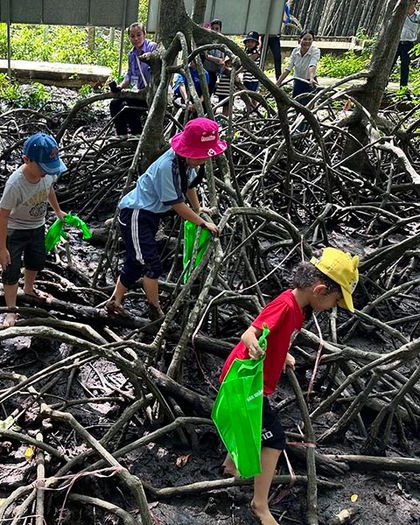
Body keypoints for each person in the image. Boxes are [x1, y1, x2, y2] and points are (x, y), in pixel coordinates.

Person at [219, 247, 359, 525]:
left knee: (251, 423)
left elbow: (275, 335)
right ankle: (260, 505)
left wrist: (282, 354)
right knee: (274, 440)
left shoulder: (299, 309)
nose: (333, 307)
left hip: (254, 383)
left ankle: (230, 466)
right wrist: (255, 348)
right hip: (245, 381)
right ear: (319, 290)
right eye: (334, 301)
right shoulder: (285, 306)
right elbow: (251, 332)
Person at [106, 118, 224, 320]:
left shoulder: (185, 162)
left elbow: (189, 185)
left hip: (149, 215)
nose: (203, 160)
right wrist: (201, 222)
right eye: (201, 156)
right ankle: (155, 311)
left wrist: (198, 209)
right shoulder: (166, 167)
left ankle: (115, 301)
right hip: (135, 213)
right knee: (151, 265)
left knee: (136, 262)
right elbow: (176, 205)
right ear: (187, 151)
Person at [0, 133, 67, 328]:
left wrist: (58, 211)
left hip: (37, 226)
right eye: (43, 168)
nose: (47, 172)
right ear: (26, 160)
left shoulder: (47, 173)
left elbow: (49, 189)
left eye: (50, 167)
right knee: (11, 270)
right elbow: (2, 217)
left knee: (35, 261)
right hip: (15, 230)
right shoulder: (15, 184)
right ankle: (11, 311)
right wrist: (2, 248)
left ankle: (28, 289)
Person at [109, 22, 158, 136]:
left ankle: (137, 135)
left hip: (152, 93)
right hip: (138, 92)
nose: (136, 38)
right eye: (132, 36)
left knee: (128, 106)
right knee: (114, 104)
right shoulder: (132, 54)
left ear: (144, 34)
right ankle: (122, 135)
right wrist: (120, 87)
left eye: (138, 35)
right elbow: (130, 76)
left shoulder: (152, 47)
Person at [276, 29, 320, 104]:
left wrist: (312, 78)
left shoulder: (315, 51)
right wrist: (278, 83)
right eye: (305, 39)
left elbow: (312, 64)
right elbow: (288, 69)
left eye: (310, 39)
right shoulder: (295, 51)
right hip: (298, 82)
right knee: (296, 104)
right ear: (300, 40)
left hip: (309, 82)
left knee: (308, 106)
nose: (307, 42)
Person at [396, 0, 420, 95]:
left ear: (415, 2)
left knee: (405, 66)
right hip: (396, 43)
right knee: (389, 64)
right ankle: (382, 84)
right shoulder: (399, 13)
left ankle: (403, 87)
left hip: (408, 44)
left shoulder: (418, 16)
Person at [267, 1, 293, 80]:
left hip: (275, 36)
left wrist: (283, 9)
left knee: (277, 56)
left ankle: (278, 78)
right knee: (261, 56)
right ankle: (257, 75)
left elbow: (286, 19)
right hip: (264, 35)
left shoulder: (284, 6)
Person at [204, 19, 226, 96]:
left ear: (220, 30)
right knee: (203, 92)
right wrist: (217, 60)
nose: (214, 31)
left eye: (217, 29)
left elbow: (222, 56)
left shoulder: (221, 42)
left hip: (214, 72)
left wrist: (221, 62)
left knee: (209, 93)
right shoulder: (206, 40)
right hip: (205, 71)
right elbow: (206, 55)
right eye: (213, 28)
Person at [241, 31, 261, 112]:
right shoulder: (245, 52)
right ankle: (249, 109)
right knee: (246, 95)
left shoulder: (256, 52)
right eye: (248, 41)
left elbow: (246, 63)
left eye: (252, 42)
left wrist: (236, 72)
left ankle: (254, 110)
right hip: (246, 78)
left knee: (253, 96)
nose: (250, 43)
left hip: (253, 79)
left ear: (256, 43)